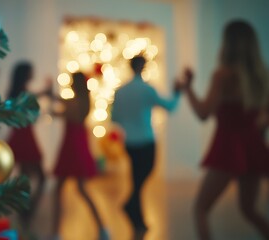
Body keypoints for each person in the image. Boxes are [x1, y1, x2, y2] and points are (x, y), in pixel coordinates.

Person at [180, 20, 269, 240]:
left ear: (227, 44)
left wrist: (188, 88)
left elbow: (203, 113)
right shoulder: (262, 77)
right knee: (249, 210)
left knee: (200, 208)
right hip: (252, 147)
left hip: (228, 147)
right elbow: (263, 118)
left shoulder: (223, 75)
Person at [111, 55, 180, 239]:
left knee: (137, 180)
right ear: (143, 67)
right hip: (146, 140)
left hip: (129, 142)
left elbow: (114, 118)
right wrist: (178, 92)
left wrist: (128, 121)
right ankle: (131, 208)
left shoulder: (121, 91)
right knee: (141, 178)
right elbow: (170, 107)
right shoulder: (146, 90)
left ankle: (137, 218)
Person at [52, 72, 109, 240]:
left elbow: (65, 112)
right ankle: (102, 228)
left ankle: (57, 233)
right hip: (77, 145)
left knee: (66, 190)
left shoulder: (76, 102)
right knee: (80, 189)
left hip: (72, 147)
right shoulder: (83, 101)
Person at [6, 61, 48, 230]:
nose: (34, 73)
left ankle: (24, 209)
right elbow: (33, 111)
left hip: (19, 136)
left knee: (25, 177)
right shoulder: (24, 94)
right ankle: (27, 209)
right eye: (31, 71)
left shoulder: (17, 92)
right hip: (26, 137)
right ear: (26, 74)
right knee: (40, 177)